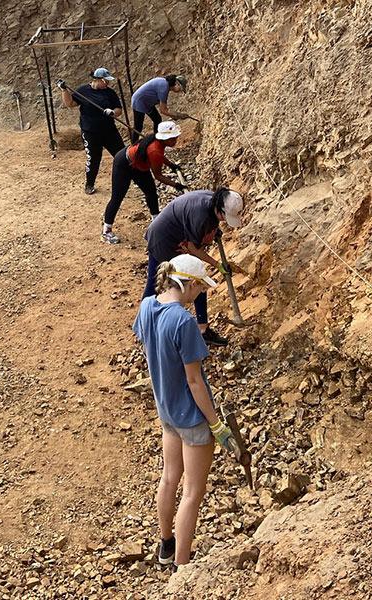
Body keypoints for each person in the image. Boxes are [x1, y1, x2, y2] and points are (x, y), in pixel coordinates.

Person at [133, 254, 235, 568]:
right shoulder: (183, 322)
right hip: (191, 418)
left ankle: (166, 547)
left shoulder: (147, 306)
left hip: (166, 410)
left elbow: (149, 349)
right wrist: (216, 424)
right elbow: (195, 381)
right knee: (192, 492)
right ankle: (182, 568)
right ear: (188, 283)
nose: (199, 295)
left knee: (169, 478)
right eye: (199, 288)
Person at [143, 188, 244, 347]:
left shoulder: (214, 200)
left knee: (198, 279)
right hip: (163, 239)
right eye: (224, 217)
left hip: (173, 233)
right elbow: (193, 249)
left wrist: (214, 230)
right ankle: (145, 325)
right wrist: (217, 264)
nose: (225, 221)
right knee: (158, 282)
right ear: (219, 210)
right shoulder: (201, 217)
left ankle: (203, 329)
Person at [101, 121, 186, 244]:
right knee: (117, 197)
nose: (175, 140)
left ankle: (156, 223)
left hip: (139, 166)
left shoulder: (158, 144)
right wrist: (176, 185)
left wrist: (172, 166)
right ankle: (106, 231)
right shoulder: (154, 150)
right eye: (173, 138)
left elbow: (160, 156)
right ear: (165, 138)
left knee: (151, 193)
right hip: (124, 164)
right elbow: (158, 176)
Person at [57, 69, 125, 195]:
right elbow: (70, 103)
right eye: (105, 81)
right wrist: (64, 90)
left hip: (109, 131)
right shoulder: (83, 91)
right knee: (93, 159)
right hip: (91, 132)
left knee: (122, 155)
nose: (107, 84)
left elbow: (119, 109)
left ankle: (131, 178)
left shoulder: (110, 93)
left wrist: (113, 112)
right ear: (98, 80)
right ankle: (89, 184)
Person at [130, 74, 188, 143]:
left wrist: (173, 115)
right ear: (177, 84)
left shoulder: (164, 84)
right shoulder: (164, 87)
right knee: (138, 126)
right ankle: (133, 145)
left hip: (147, 102)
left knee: (157, 119)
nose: (179, 91)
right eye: (180, 89)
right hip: (139, 101)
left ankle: (156, 141)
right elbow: (163, 110)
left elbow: (162, 106)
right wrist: (178, 115)